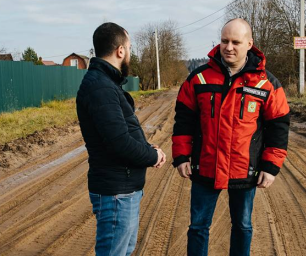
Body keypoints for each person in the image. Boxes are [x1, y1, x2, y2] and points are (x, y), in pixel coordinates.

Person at [172, 18, 290, 256]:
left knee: (243, 226)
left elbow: (278, 127)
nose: (228, 47)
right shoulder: (199, 78)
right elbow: (184, 121)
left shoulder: (267, 83)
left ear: (249, 44)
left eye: (236, 42)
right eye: (225, 40)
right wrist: (182, 155)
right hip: (205, 166)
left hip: (245, 169)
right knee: (198, 227)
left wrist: (271, 166)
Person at [76, 22, 167, 256]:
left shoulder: (106, 84)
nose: (129, 52)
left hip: (123, 189)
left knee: (123, 251)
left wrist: (147, 147)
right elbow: (119, 143)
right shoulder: (101, 87)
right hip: (116, 191)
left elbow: (122, 131)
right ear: (120, 51)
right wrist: (152, 155)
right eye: (129, 47)